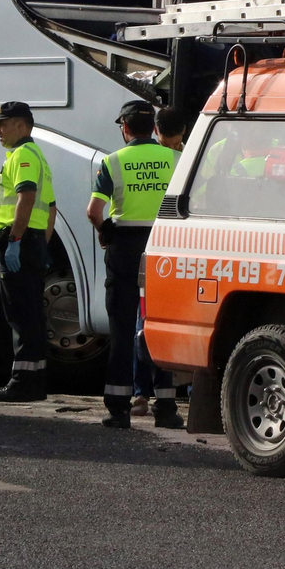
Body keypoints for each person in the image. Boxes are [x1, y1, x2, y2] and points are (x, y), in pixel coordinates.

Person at [87, 100, 180, 429]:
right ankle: (166, 407)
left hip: (124, 248)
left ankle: (119, 409)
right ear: (153, 128)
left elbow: (94, 212)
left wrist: (105, 231)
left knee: (122, 329)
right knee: (160, 324)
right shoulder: (177, 159)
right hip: (164, 247)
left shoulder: (113, 162)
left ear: (125, 128)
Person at [0, 101, 57, 403]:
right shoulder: (36, 154)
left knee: (20, 316)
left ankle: (22, 384)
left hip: (17, 241)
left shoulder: (23, 156)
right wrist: (41, 243)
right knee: (31, 316)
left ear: (21, 125)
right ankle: (34, 381)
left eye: (3, 123)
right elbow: (51, 208)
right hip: (32, 241)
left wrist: (15, 241)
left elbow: (26, 197)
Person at [130, 106, 188, 414]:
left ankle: (140, 394)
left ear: (156, 129)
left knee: (142, 321)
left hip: (139, 248)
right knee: (167, 319)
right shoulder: (184, 162)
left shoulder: (122, 160)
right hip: (174, 250)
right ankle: (165, 396)